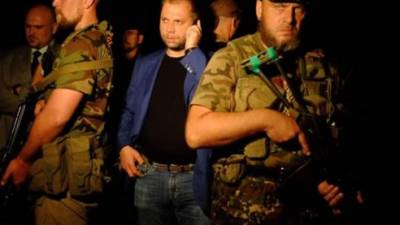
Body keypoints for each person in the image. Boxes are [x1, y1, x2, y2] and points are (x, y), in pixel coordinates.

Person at [186, 0, 361, 224]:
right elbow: (196, 131)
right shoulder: (232, 58)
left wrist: (339, 188)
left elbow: (343, 139)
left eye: (297, 8)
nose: (289, 18)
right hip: (244, 212)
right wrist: (265, 120)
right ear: (259, 9)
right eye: (279, 6)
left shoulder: (323, 66)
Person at [0, 0, 113, 224]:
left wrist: (23, 159)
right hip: (66, 173)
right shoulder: (91, 38)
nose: (55, 2)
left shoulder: (81, 44)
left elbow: (57, 117)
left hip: (64, 182)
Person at [117, 0, 210, 224]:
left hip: (192, 178)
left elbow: (204, 84)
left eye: (178, 21)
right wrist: (123, 145)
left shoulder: (208, 63)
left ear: (195, 25)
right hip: (149, 175)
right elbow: (128, 111)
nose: (169, 29)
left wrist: (192, 49)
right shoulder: (145, 63)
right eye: (164, 20)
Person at [0, 3, 58, 151]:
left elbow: (56, 106)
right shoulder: (8, 58)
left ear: (54, 27)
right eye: (28, 27)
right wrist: (35, 105)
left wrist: (20, 90)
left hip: (45, 151)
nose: (31, 33)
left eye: (38, 27)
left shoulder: (64, 57)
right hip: (6, 145)